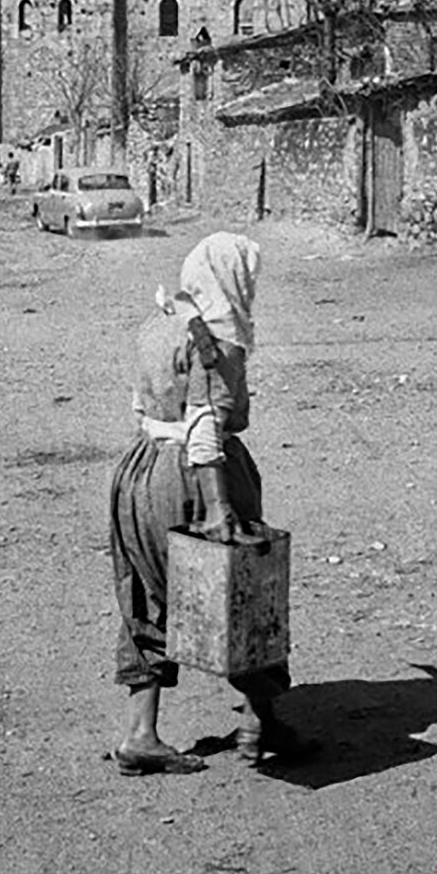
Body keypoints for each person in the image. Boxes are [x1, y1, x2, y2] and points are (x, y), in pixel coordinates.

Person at [109, 232, 312, 776]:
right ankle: (259, 720)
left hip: (140, 472)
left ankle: (140, 733)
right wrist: (219, 508)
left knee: (147, 594)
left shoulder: (158, 324)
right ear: (232, 280)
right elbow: (204, 433)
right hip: (198, 478)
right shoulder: (216, 344)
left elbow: (139, 405)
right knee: (244, 589)